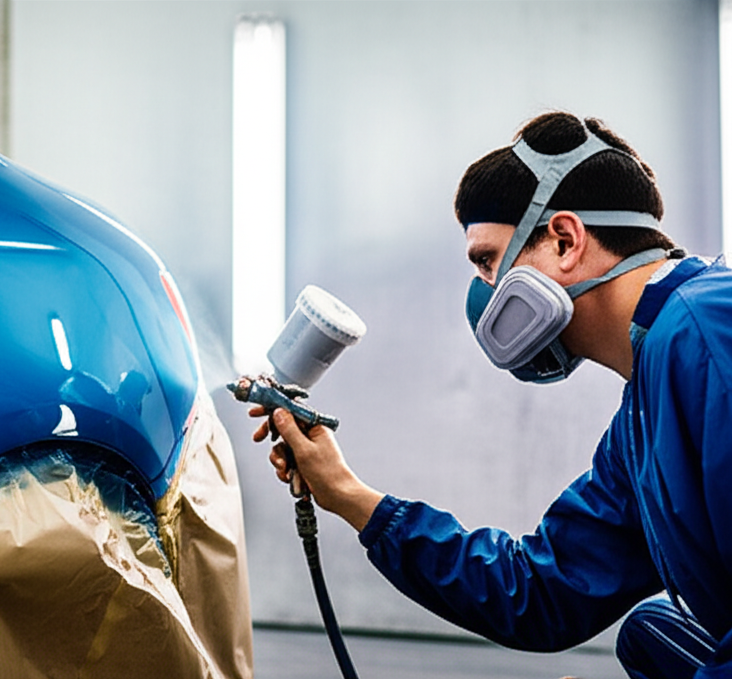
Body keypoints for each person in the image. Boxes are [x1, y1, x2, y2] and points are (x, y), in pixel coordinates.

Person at [251, 112, 732, 679]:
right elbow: (543, 593)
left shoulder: (706, 332)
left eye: (486, 261)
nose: (484, 294)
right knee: (653, 636)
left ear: (564, 240)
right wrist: (348, 495)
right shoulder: (645, 410)